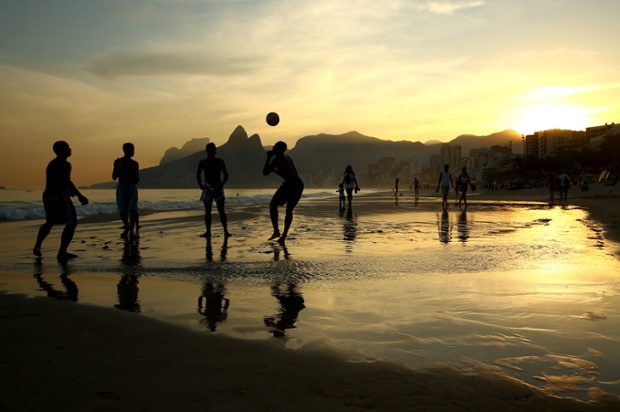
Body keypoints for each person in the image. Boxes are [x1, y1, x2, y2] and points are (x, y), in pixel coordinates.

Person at [33, 141, 89, 261]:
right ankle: (62, 252)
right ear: (61, 151)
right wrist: (79, 195)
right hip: (59, 195)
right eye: (67, 148)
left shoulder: (52, 164)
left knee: (50, 222)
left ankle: (37, 245)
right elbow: (67, 181)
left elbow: (57, 181)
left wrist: (69, 191)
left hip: (48, 195)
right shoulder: (65, 164)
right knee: (72, 222)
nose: (70, 149)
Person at [263, 141, 304, 244]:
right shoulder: (288, 158)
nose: (272, 148)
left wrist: (268, 158)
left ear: (278, 149)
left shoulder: (276, 159)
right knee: (289, 210)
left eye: (274, 147)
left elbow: (265, 173)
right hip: (299, 184)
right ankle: (284, 235)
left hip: (290, 183)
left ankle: (276, 231)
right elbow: (287, 174)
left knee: (273, 205)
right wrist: (275, 170)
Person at [196, 143, 231, 238]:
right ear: (207, 151)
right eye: (210, 150)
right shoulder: (202, 162)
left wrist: (221, 185)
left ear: (215, 151)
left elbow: (226, 175)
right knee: (208, 211)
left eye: (213, 150)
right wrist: (200, 185)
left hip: (218, 186)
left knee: (221, 210)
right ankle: (208, 232)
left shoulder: (220, 162)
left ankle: (226, 231)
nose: (212, 152)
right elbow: (198, 175)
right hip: (207, 186)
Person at [112, 143, 140, 239]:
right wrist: (120, 168)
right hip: (122, 186)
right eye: (131, 149)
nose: (133, 152)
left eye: (133, 149)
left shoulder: (135, 164)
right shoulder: (118, 162)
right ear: (125, 150)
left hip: (132, 186)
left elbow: (137, 179)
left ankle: (131, 231)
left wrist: (132, 173)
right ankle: (127, 226)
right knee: (122, 210)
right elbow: (114, 177)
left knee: (133, 209)